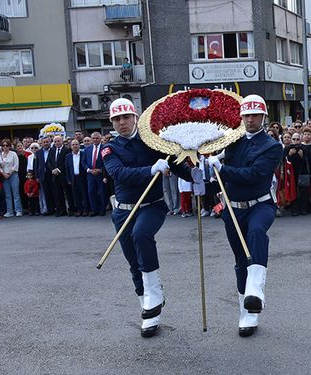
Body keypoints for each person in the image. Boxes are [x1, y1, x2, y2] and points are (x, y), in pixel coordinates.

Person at [101, 98, 193, 338]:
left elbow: (177, 162)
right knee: (134, 262)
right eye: (117, 119)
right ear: (112, 122)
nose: (122, 123)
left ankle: (153, 296)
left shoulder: (152, 140)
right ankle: (149, 307)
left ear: (135, 117)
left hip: (151, 206)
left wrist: (197, 175)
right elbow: (118, 173)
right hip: (123, 210)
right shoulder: (109, 148)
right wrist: (150, 169)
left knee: (142, 235)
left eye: (126, 117)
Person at [205, 94, 282, 337]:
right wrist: (209, 161)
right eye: (246, 115)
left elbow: (254, 175)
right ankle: (246, 314)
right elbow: (214, 159)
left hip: (260, 205)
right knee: (240, 261)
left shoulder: (272, 146)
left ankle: (256, 292)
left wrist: (222, 168)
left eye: (255, 115)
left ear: (263, 117)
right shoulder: (232, 140)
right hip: (233, 207)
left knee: (257, 233)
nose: (250, 119)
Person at [82, 132, 107, 216]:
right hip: (90, 174)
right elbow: (84, 161)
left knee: (102, 192)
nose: (95, 140)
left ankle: (102, 209)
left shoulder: (104, 148)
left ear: (100, 139)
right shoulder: (87, 149)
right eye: (93, 138)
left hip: (100, 174)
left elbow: (107, 161)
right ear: (91, 139)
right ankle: (94, 209)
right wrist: (89, 170)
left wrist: (100, 170)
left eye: (97, 138)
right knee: (91, 192)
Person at [0, 139, 23, 217]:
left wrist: (9, 173)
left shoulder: (13, 154)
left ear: (9, 146)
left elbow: (16, 165)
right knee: (7, 195)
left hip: (13, 175)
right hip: (4, 176)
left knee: (16, 193)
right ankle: (9, 211)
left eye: (7, 145)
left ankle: (18, 210)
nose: (5, 147)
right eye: (3, 145)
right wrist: (3, 174)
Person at [65, 139, 90, 217]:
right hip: (73, 178)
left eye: (76, 144)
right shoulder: (68, 156)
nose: (75, 146)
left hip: (82, 177)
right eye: (73, 145)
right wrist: (68, 179)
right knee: (76, 195)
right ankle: (79, 210)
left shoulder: (83, 154)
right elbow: (67, 169)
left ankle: (86, 210)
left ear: (79, 145)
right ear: (71, 146)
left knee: (84, 194)